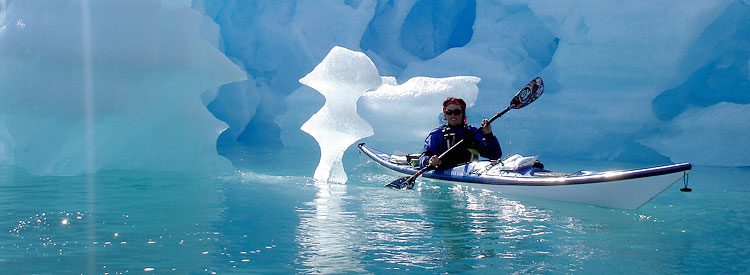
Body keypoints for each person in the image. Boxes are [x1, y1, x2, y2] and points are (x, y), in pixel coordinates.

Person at [419, 97, 502, 169]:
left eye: (457, 112)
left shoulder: (473, 132)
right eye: (449, 112)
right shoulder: (437, 134)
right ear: (445, 115)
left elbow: (495, 155)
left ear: (463, 113)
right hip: (443, 172)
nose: (453, 115)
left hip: (470, 173)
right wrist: (429, 160)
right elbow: (423, 158)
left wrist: (489, 135)